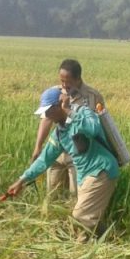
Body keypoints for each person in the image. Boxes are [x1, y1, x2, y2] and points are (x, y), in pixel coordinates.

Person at [8, 87, 120, 241]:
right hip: (85, 176)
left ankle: (80, 255)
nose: (46, 115)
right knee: (88, 216)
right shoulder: (60, 133)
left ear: (58, 105)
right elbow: (44, 159)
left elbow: (93, 129)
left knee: (80, 217)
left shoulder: (82, 112)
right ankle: (110, 239)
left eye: (48, 111)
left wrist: (68, 110)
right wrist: (22, 180)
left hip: (101, 171)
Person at [31, 59, 106, 197]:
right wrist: (38, 146)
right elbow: (46, 119)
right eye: (62, 81)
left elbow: (98, 127)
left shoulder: (93, 97)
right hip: (57, 153)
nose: (64, 85)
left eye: (68, 81)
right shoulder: (54, 93)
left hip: (79, 155)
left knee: (75, 196)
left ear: (78, 79)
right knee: (53, 195)